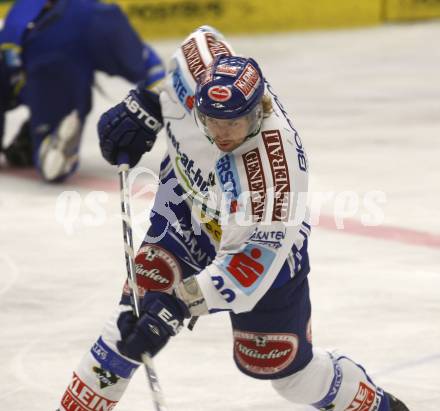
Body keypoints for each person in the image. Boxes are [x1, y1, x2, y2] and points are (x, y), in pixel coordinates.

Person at [57, 26, 410, 411]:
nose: (222, 134)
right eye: (212, 121)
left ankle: (377, 405)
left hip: (260, 252)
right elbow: (187, 53)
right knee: (124, 330)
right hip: (185, 212)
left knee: (287, 374)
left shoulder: (275, 177)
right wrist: (145, 104)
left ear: (261, 110)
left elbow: (244, 270)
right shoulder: (198, 63)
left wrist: (176, 306)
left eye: (234, 124)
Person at [0, 0, 165, 182]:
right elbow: (143, 59)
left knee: (38, 89)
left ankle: (48, 137)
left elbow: (11, 41)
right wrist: (157, 93)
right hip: (88, 31)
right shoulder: (95, 11)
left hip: (40, 52)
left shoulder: (24, 9)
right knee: (143, 65)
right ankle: (53, 130)